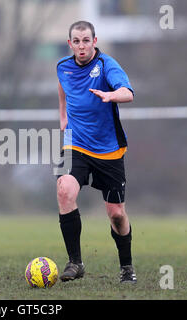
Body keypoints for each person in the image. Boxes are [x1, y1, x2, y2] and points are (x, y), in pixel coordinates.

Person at [56, 21, 137, 283]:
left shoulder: (106, 65)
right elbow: (62, 88)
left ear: (94, 41)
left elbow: (128, 93)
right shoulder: (62, 67)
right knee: (64, 188)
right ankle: (75, 262)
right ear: (70, 43)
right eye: (76, 41)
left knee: (116, 214)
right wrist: (63, 116)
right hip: (76, 144)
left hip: (108, 150)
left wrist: (111, 96)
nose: (81, 46)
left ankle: (126, 267)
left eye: (86, 40)